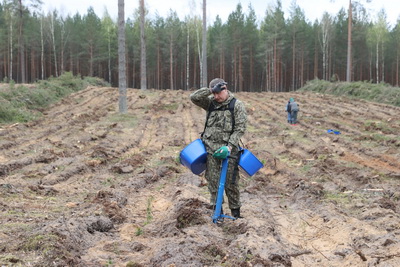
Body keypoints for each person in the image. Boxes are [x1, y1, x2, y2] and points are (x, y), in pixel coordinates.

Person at [190, 78, 247, 219]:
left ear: (225, 88)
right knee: (213, 182)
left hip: (229, 151)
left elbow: (240, 128)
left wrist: (229, 147)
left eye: (218, 93)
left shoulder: (237, 105)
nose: (216, 97)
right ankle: (218, 213)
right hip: (210, 149)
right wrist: (210, 90)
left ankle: (236, 214)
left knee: (231, 183)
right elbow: (194, 97)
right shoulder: (210, 103)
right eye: (213, 94)